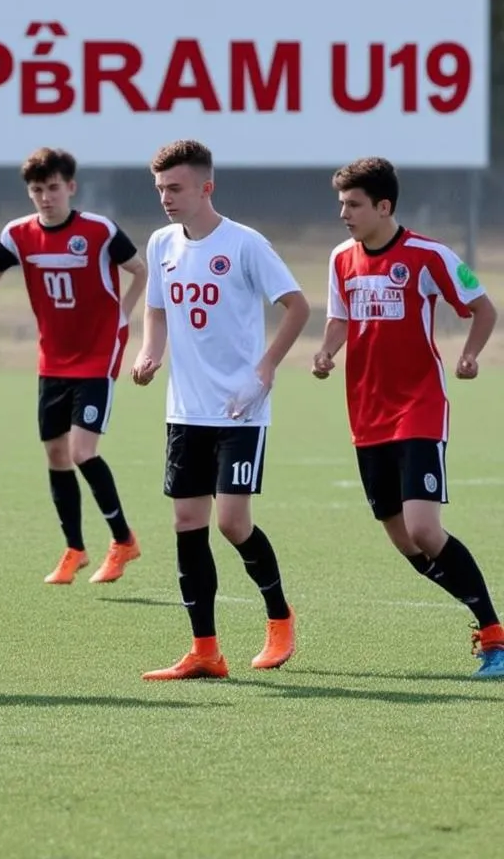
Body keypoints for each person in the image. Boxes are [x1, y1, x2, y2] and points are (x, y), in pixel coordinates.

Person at [312, 156, 504, 678]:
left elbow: (483, 308)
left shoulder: (428, 255)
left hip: (418, 407)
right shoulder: (340, 259)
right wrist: (328, 351)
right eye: (341, 204)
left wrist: (469, 354)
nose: (344, 213)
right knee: (401, 537)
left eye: (353, 204)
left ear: (383, 206)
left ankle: (492, 634)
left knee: (423, 527)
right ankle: (485, 620)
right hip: (366, 411)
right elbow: (338, 318)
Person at [131, 139, 310, 680]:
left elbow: (297, 307)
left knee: (232, 523)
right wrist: (148, 351)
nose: (166, 197)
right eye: (161, 188)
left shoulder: (245, 244)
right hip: (186, 411)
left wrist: (266, 370)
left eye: (176, 188)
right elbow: (155, 309)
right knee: (188, 523)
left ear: (206, 188)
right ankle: (205, 649)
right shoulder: (162, 242)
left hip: (239, 409)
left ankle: (279, 616)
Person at [0, 147, 148, 585]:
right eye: (36, 190)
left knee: (82, 451)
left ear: (70, 187)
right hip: (53, 355)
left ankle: (123, 540)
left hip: (98, 352)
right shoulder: (17, 234)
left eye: (52, 188)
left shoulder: (99, 230)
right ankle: (74, 549)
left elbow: (140, 270)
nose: (45, 197)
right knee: (55, 453)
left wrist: (123, 314)